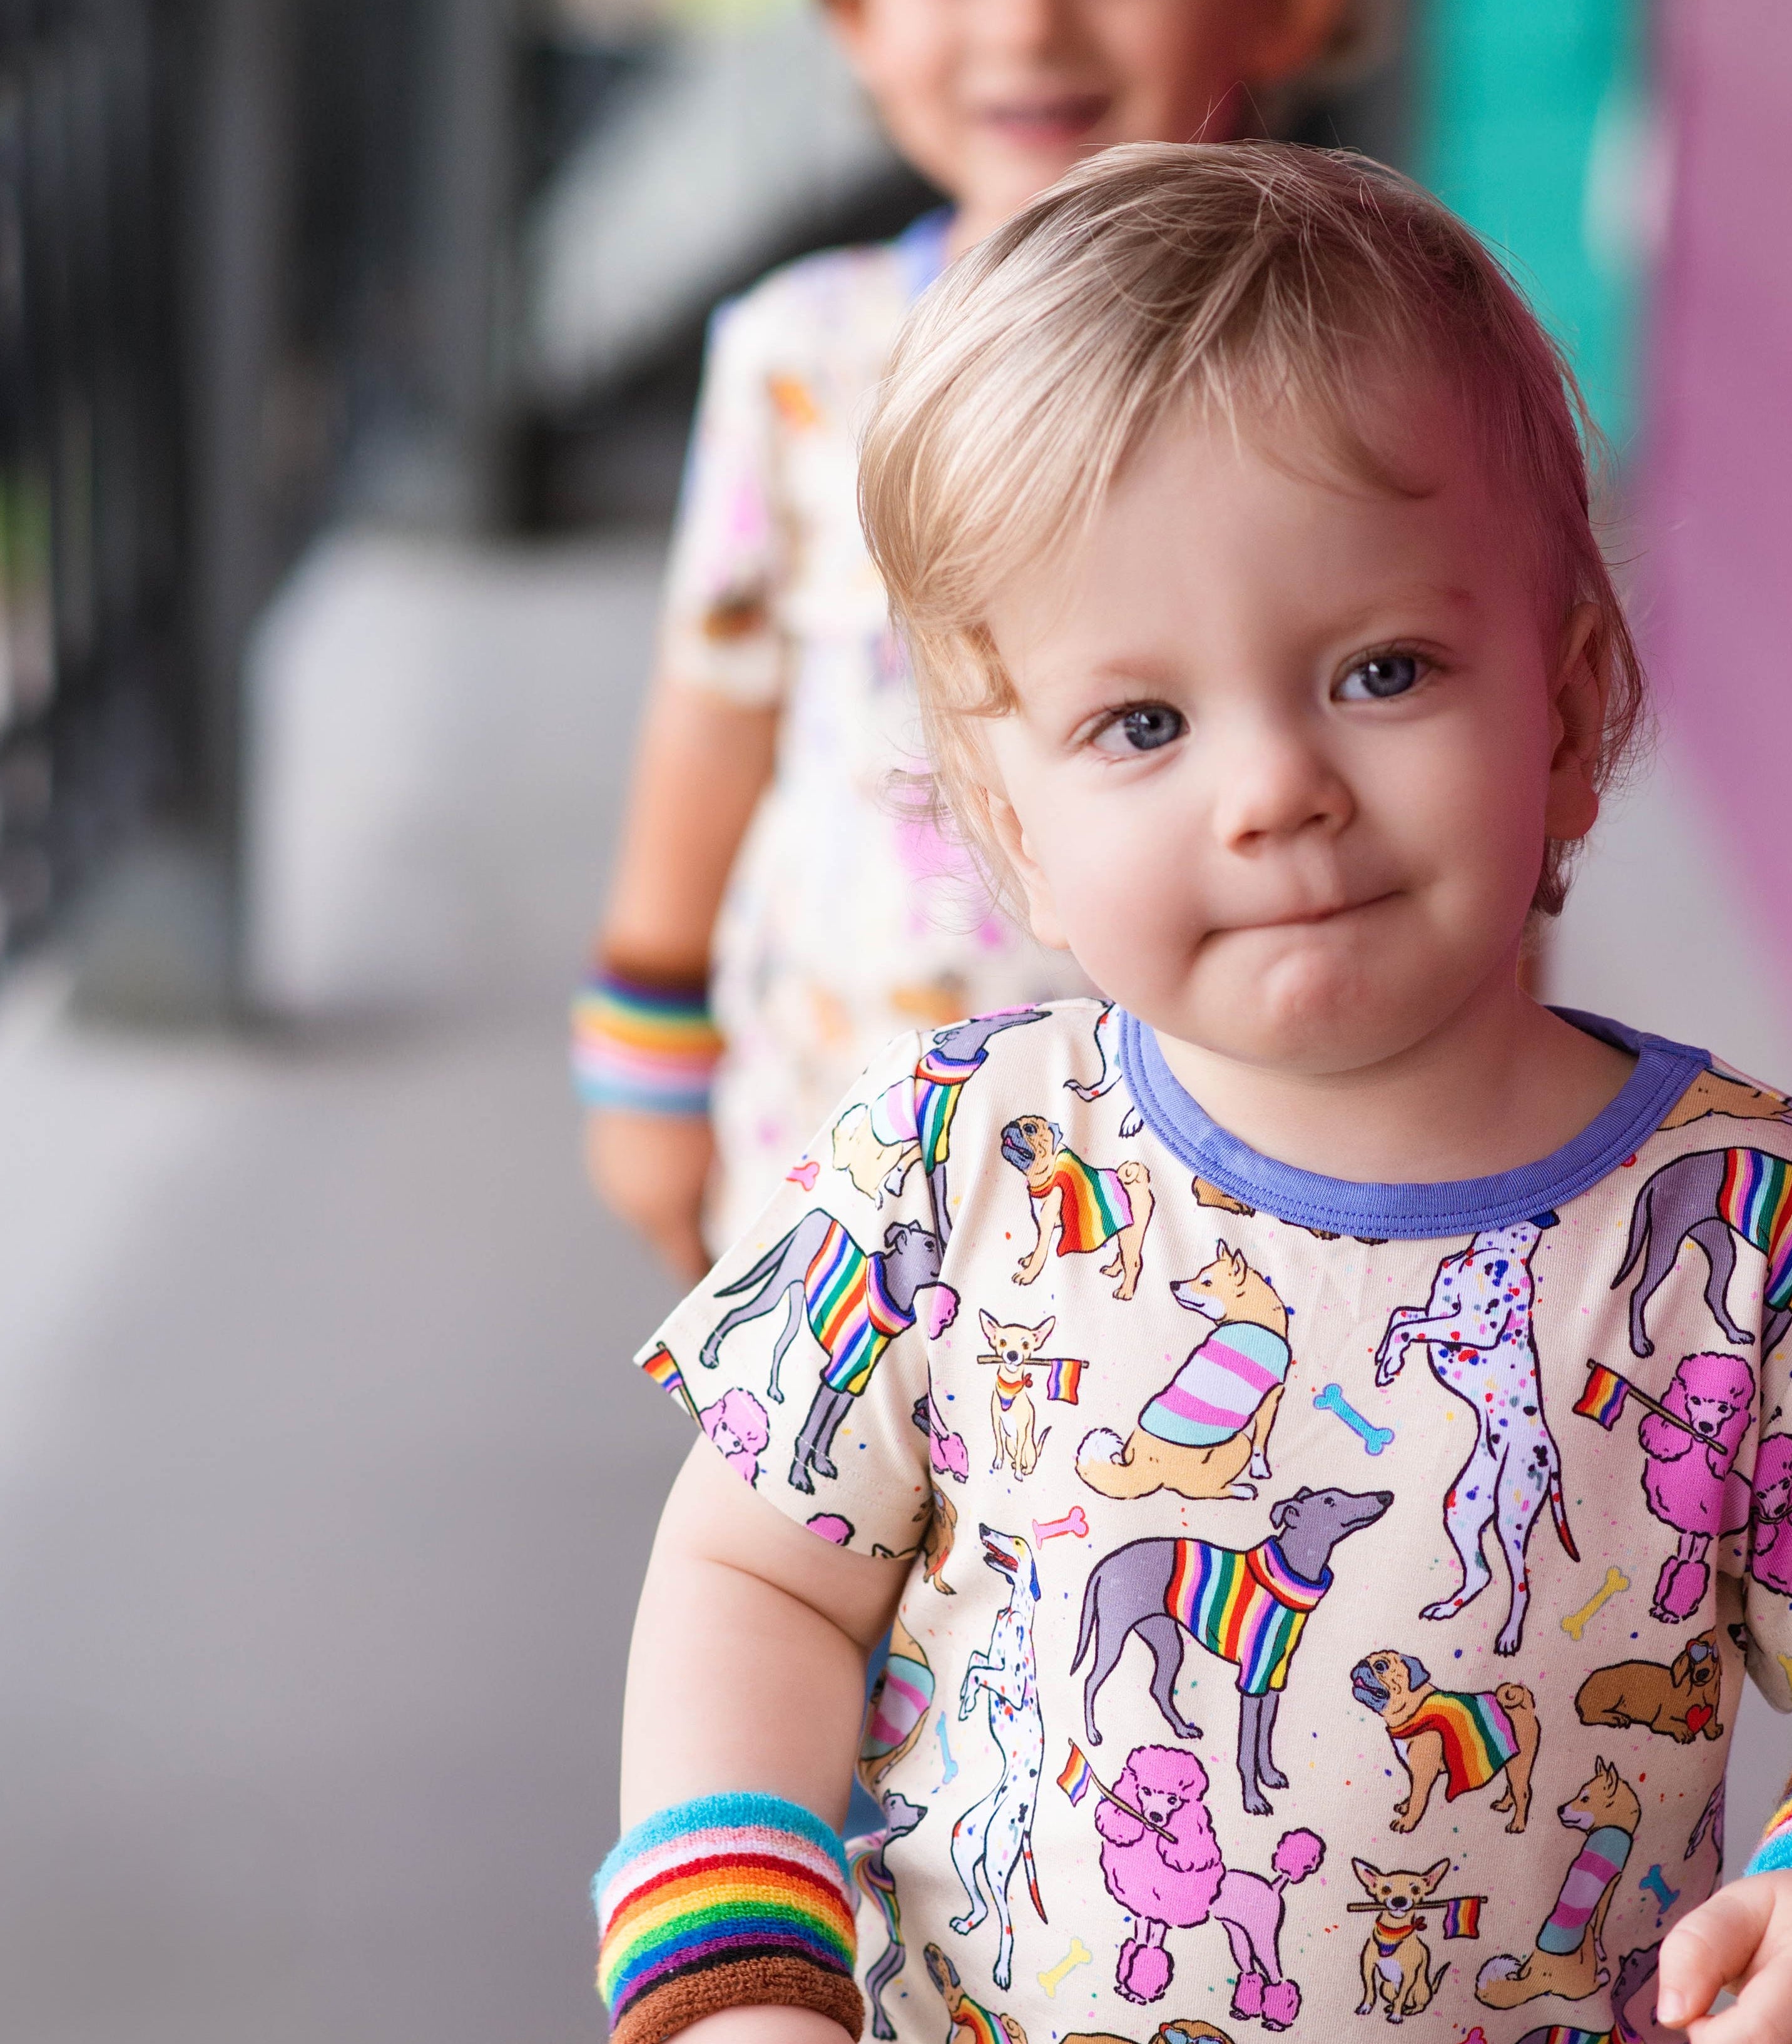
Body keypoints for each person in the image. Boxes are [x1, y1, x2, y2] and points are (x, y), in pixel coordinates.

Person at [595, 146, 1792, 2044]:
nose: (1277, 788)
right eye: (1140, 724)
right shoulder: (956, 1169)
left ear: (1571, 688)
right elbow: (759, 1566)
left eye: (1381, 669)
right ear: (1000, 811)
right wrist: (722, 1981)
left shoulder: (1767, 1243)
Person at [575, 0, 1367, 1279]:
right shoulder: (803, 360)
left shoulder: (1358, 376)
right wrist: (645, 1056)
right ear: (851, 24)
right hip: (837, 1157)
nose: (1024, 24)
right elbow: (712, 719)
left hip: (1224, 1205)